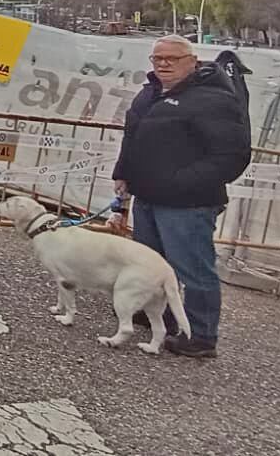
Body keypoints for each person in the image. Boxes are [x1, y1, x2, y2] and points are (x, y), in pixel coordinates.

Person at [108, 33, 251, 359]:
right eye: (157, 59)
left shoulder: (214, 99)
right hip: (148, 197)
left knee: (193, 270)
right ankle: (157, 315)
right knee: (150, 264)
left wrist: (183, 182)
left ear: (192, 62)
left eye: (171, 59)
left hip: (188, 204)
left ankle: (200, 336)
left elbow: (232, 155)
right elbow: (133, 136)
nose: (163, 64)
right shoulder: (150, 93)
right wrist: (123, 171)